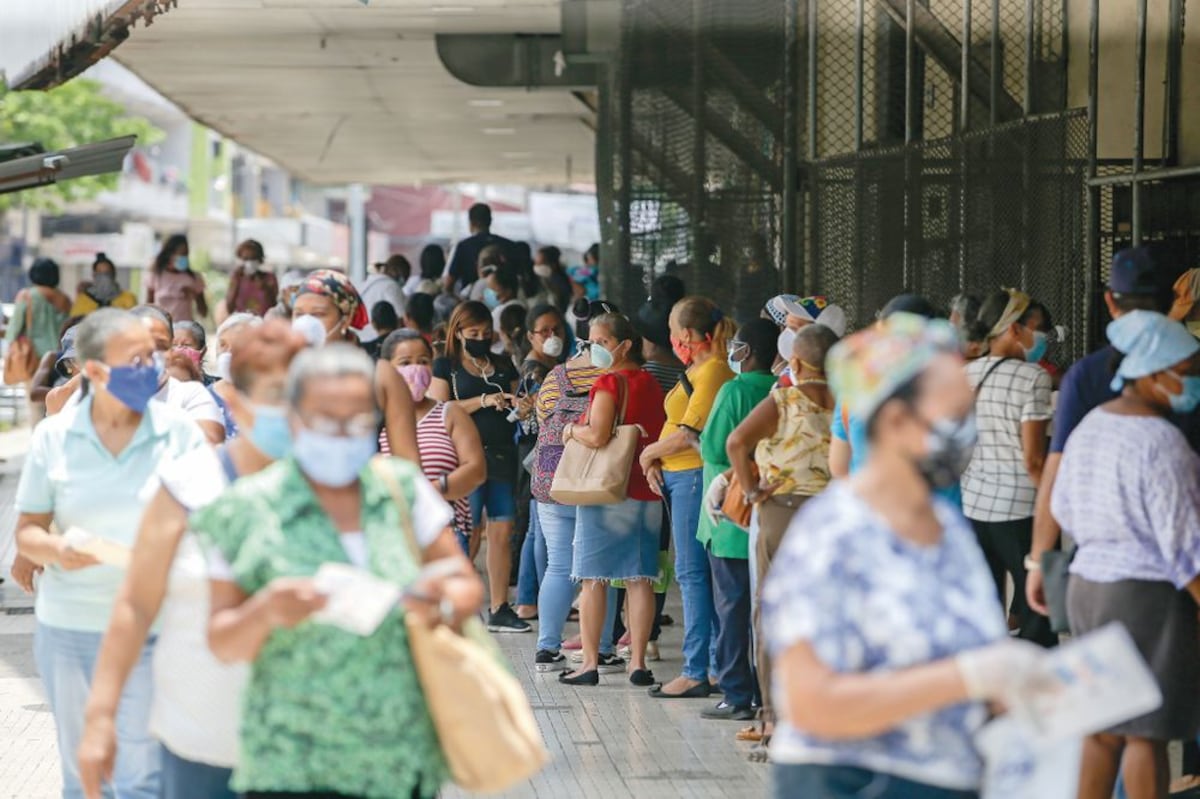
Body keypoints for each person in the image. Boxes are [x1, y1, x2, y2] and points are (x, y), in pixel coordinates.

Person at [763, 312, 1044, 799]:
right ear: (894, 420)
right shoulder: (832, 536)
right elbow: (812, 704)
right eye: (954, 414)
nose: (966, 430)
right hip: (851, 782)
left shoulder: (948, 529)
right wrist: (964, 678)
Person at [193, 344, 485, 799]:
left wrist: (437, 601)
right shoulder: (245, 509)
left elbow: (464, 583)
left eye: (359, 422)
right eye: (327, 420)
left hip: (395, 750)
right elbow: (221, 639)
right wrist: (267, 611)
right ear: (294, 420)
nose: (344, 434)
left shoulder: (400, 491)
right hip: (290, 756)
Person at [77, 320, 304, 799]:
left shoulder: (345, 489)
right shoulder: (186, 485)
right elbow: (135, 605)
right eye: (276, 394)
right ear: (236, 400)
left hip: (310, 742)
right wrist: (100, 718)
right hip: (204, 742)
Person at [12, 308, 210, 798]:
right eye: (134, 359)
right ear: (94, 370)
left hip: (154, 625)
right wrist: (57, 548)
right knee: (85, 776)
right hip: (71, 630)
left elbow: (207, 520)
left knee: (142, 774)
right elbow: (27, 533)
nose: (150, 366)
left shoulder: (178, 433)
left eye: (153, 356)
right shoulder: (54, 438)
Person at [1051, 311, 1200, 799]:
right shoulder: (1162, 442)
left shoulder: (1093, 423)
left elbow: (1062, 507)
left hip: (1087, 588)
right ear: (1156, 373)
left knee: (1101, 728)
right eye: (1190, 369)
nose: (1194, 381)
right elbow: (1183, 545)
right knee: (1145, 732)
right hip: (1144, 599)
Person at [1028, 247, 1175, 615]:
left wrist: (1038, 560)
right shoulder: (1190, 365)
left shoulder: (1086, 375)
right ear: (1172, 301)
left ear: (1110, 301)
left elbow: (1055, 470)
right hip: (1181, 559)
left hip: (1103, 562)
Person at [723, 323, 839, 758]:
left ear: (794, 361)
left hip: (782, 513)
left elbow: (737, 441)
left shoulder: (785, 398)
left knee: (771, 614)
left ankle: (774, 719)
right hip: (830, 518)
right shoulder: (847, 404)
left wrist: (751, 490)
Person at [558, 312, 666, 687]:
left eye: (601, 343)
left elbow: (599, 435)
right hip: (645, 489)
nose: (594, 349)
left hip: (605, 490)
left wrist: (571, 429)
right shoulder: (650, 383)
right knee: (640, 579)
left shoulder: (608, 382)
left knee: (593, 580)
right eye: (590, 342)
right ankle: (637, 662)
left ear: (624, 345)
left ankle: (589, 663)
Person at [642, 296, 737, 700]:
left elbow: (688, 433)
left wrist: (648, 453)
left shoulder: (714, 370)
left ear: (684, 335)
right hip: (679, 477)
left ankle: (697, 668)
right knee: (694, 575)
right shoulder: (699, 369)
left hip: (693, 477)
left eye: (671, 329)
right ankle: (710, 665)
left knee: (692, 575)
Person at [693, 319, 780, 721]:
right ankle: (768, 694)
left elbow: (713, 447)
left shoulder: (735, 389)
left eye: (736, 346)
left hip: (730, 517)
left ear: (746, 352)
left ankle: (735, 693)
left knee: (731, 609)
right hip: (773, 514)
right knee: (767, 610)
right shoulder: (782, 389)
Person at [961, 288, 1056, 646]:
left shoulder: (966, 374)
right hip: (1020, 508)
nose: (1042, 334)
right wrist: (1055, 503)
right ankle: (1035, 682)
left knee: (986, 601)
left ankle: (987, 684)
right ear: (1015, 329)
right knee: (1038, 602)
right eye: (1037, 326)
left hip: (975, 503)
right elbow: (1033, 458)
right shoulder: (1033, 378)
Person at [428, 301, 526, 632]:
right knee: (464, 532)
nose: (481, 338)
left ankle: (499, 606)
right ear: (458, 332)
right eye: (473, 333)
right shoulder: (446, 366)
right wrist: (484, 400)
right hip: (464, 459)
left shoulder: (501, 363)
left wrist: (521, 405)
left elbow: (518, 396)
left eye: (486, 333)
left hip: (501, 456)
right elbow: (440, 408)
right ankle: (456, 602)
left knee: (501, 530)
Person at [530, 302, 616, 671]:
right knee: (600, 569)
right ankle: (606, 645)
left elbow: (540, 419)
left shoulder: (556, 377)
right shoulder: (613, 378)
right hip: (597, 479)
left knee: (559, 565)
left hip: (553, 477)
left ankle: (547, 646)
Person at [291, 268, 420, 465]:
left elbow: (407, 463)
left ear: (346, 317)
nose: (306, 324)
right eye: (298, 315)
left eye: (318, 314)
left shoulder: (381, 374)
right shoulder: (285, 371)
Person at [380, 329, 486, 554]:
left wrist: (431, 491)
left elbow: (476, 469)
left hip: (444, 536)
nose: (416, 369)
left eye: (423, 361)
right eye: (405, 362)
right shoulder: (375, 419)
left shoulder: (450, 413)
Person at [829, 294, 939, 489]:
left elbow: (838, 466)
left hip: (873, 505)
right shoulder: (946, 389)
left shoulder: (853, 390)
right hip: (935, 510)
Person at [513, 305, 569, 621]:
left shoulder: (554, 366)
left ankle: (529, 597)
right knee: (539, 527)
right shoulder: (534, 371)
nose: (552, 336)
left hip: (545, 449)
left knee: (537, 526)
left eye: (557, 329)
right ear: (530, 336)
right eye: (544, 331)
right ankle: (535, 597)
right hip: (541, 450)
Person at [5, 257, 71, 368]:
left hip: (34, 357)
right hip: (59, 357)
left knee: (35, 385)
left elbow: (14, 328)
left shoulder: (26, 296)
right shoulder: (64, 299)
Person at [208, 312, 264, 439]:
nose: (228, 353)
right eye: (223, 345)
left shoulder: (271, 401)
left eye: (239, 345)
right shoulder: (204, 397)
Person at [443, 203, 514, 297]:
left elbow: (448, 284)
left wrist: (460, 303)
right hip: (505, 301)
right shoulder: (508, 245)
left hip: (473, 304)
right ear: (490, 221)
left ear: (471, 223)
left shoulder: (463, 247)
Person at [146, 234, 208, 323]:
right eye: (182, 254)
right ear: (170, 254)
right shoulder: (156, 275)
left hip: (183, 332)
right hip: (161, 329)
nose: (185, 258)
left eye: (187, 254)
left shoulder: (194, 278)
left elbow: (203, 312)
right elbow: (148, 309)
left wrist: (193, 294)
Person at [223, 239, 278, 318]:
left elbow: (274, 306)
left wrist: (265, 289)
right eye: (246, 259)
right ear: (240, 259)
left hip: (263, 324)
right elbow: (229, 308)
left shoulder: (269, 278)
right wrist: (236, 283)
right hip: (242, 324)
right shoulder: (237, 278)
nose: (249, 262)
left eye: (253, 258)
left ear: (260, 259)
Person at [356, 255, 407, 341]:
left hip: (361, 340)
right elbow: (403, 319)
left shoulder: (363, 285)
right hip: (380, 340)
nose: (404, 281)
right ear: (394, 270)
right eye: (404, 276)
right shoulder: (391, 286)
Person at [70, 253, 137, 315]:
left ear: (113, 274)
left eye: (107, 273)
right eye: (100, 273)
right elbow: (75, 322)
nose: (104, 278)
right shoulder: (83, 300)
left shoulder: (128, 298)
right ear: (94, 275)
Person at [533, 246, 574, 311]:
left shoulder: (561, 283)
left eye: (540, 264)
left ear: (553, 264)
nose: (536, 267)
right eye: (536, 263)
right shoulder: (543, 279)